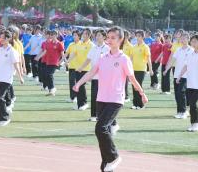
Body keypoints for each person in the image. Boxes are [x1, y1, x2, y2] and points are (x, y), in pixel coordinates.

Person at [72, 27, 148, 172]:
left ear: (120, 40)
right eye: (109, 37)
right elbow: (91, 72)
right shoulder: (103, 58)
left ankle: (114, 157)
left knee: (100, 128)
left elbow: (132, 78)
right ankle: (106, 166)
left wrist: (142, 93)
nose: (110, 40)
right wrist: (79, 83)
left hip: (115, 99)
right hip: (101, 98)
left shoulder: (124, 59)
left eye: (113, 37)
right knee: (102, 132)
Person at [178, 34, 198, 132]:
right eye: (192, 41)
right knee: (191, 104)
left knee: (193, 103)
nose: (193, 43)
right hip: (190, 83)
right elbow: (186, 66)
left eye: (195, 41)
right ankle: (196, 122)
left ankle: (195, 124)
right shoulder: (190, 54)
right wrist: (179, 76)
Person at [122, 30, 151, 110]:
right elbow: (130, 59)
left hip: (141, 69)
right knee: (134, 86)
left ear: (142, 37)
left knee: (139, 86)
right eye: (136, 36)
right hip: (133, 69)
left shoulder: (145, 47)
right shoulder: (134, 47)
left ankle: (141, 104)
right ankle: (135, 104)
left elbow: (148, 59)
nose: (137, 38)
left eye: (139, 36)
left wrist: (150, 69)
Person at [34, 30, 64, 96]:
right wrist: (38, 57)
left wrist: (60, 62)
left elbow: (63, 54)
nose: (52, 36)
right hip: (48, 62)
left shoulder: (59, 44)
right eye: (51, 35)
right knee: (46, 75)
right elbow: (45, 51)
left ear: (56, 35)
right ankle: (51, 90)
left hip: (55, 62)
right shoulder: (48, 43)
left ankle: (52, 88)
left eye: (54, 35)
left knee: (49, 74)